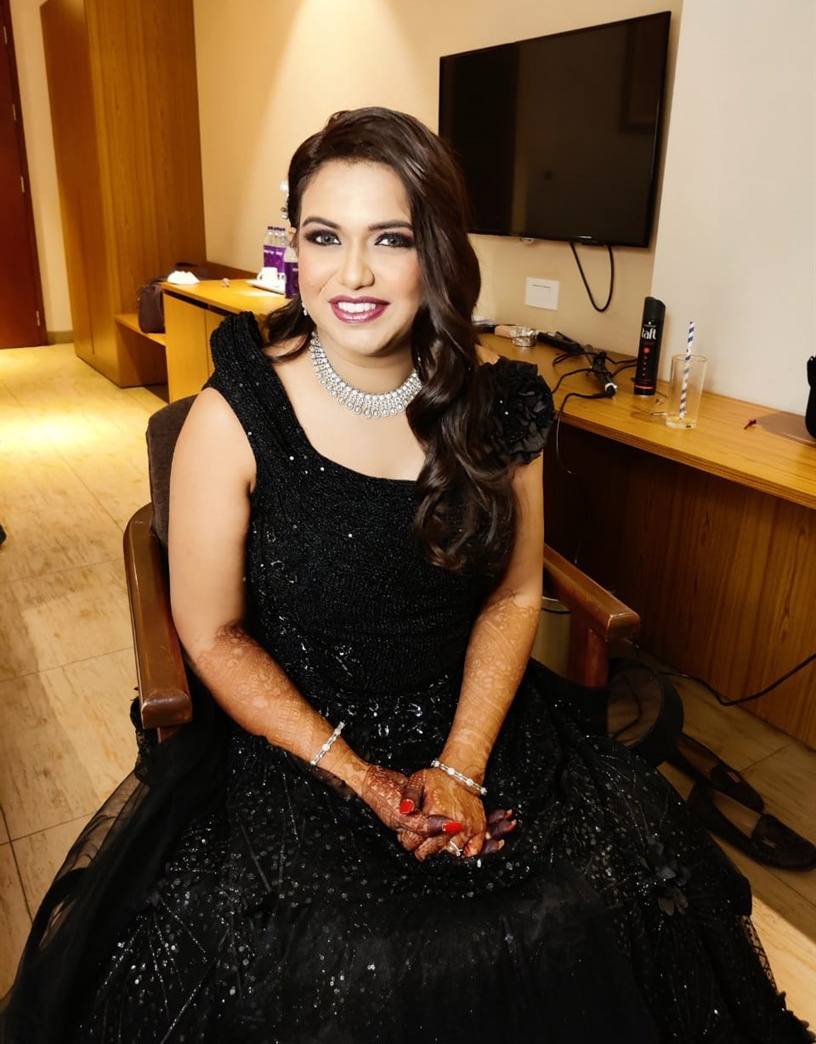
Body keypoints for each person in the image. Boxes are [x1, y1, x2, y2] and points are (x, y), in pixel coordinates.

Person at [1, 107, 811, 1043]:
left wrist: (460, 764)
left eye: (390, 239)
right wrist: (363, 777)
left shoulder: (500, 404)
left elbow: (514, 592)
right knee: (350, 954)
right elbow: (212, 633)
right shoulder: (235, 414)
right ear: (296, 248)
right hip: (297, 735)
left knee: (589, 895)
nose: (351, 274)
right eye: (324, 237)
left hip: (470, 714)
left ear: (439, 251)